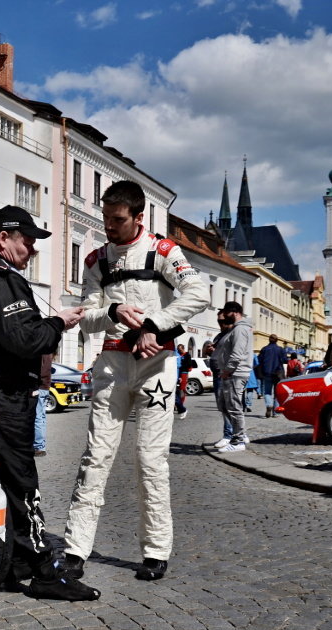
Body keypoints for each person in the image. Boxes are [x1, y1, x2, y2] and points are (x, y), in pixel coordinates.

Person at [0, 205, 99, 601]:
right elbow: (26, 340)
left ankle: (13, 562)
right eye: (27, 241)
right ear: (3, 238)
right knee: (21, 484)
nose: (32, 250)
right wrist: (58, 323)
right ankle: (44, 570)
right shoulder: (1, 278)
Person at [60, 180, 210, 584]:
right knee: (95, 457)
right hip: (111, 362)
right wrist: (112, 309)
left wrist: (154, 325)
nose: (109, 226)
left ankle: (156, 550)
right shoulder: (95, 260)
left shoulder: (163, 251)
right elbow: (85, 316)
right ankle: (75, 549)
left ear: (138, 217)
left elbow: (198, 293)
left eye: (117, 220)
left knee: (150, 459)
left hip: (156, 364)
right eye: (105, 218)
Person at [211, 301, 253, 452]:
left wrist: (227, 370)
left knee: (234, 407)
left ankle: (238, 441)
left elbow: (237, 353)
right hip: (232, 373)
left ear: (234, 312)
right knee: (228, 406)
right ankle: (239, 436)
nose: (225, 317)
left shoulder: (240, 329)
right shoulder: (238, 329)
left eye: (227, 313)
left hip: (236, 373)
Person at [208, 310, 235, 447]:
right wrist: (211, 350)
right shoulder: (220, 335)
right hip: (217, 373)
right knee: (223, 406)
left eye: (222, 321)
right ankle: (233, 434)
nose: (220, 323)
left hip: (225, 374)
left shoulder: (232, 334)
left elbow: (235, 354)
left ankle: (229, 435)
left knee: (227, 406)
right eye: (218, 321)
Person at [258, 333, 286, 418]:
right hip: (278, 373)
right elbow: (285, 360)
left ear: (269, 340)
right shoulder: (280, 349)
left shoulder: (264, 349)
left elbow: (259, 360)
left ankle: (269, 405)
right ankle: (275, 412)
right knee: (277, 393)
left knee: (267, 392)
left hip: (267, 373)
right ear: (277, 340)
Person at [33, 354, 52, 457]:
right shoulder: (48, 351)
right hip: (45, 386)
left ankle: (39, 447)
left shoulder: (42, 352)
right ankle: (41, 445)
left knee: (38, 417)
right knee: (41, 417)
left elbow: (41, 371)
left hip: (39, 386)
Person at [174, 344, 194, 419]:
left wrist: (181, 367)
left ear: (183, 349)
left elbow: (188, 364)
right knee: (177, 390)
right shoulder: (178, 355)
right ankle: (177, 405)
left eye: (180, 350)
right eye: (178, 350)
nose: (179, 351)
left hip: (183, 373)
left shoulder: (187, 355)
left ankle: (180, 404)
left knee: (181, 389)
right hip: (178, 373)